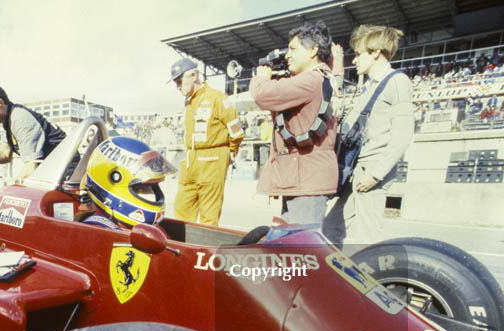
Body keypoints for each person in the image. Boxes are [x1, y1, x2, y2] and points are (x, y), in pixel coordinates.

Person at [322, 25, 414, 248]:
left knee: (368, 238)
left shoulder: (397, 82)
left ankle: (372, 281)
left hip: (371, 171)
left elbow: (403, 135)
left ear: (375, 52)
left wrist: (376, 174)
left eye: (359, 54)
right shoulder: (370, 86)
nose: (355, 60)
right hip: (356, 168)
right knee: (330, 229)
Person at [249, 21, 340, 225]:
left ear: (313, 50)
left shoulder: (311, 80)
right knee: (291, 244)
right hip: (301, 176)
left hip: (307, 178)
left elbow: (263, 95)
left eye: (293, 49)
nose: (288, 55)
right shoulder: (321, 77)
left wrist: (261, 78)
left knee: (302, 248)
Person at [170, 57, 244, 226]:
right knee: (181, 212)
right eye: (175, 82)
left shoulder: (218, 98)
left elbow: (237, 132)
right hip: (190, 161)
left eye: (180, 81)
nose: (178, 86)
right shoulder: (189, 102)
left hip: (212, 160)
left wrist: (227, 154)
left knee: (208, 218)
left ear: (194, 75)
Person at [0, 80, 66, 183]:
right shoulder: (8, 120)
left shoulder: (20, 119)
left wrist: (7, 189)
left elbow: (30, 168)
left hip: (66, 175)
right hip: (51, 173)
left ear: (0, 103)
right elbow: (6, 155)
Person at [81, 136, 174, 230]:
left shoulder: (156, 231)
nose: (152, 195)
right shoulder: (98, 233)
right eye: (140, 188)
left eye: (152, 187)